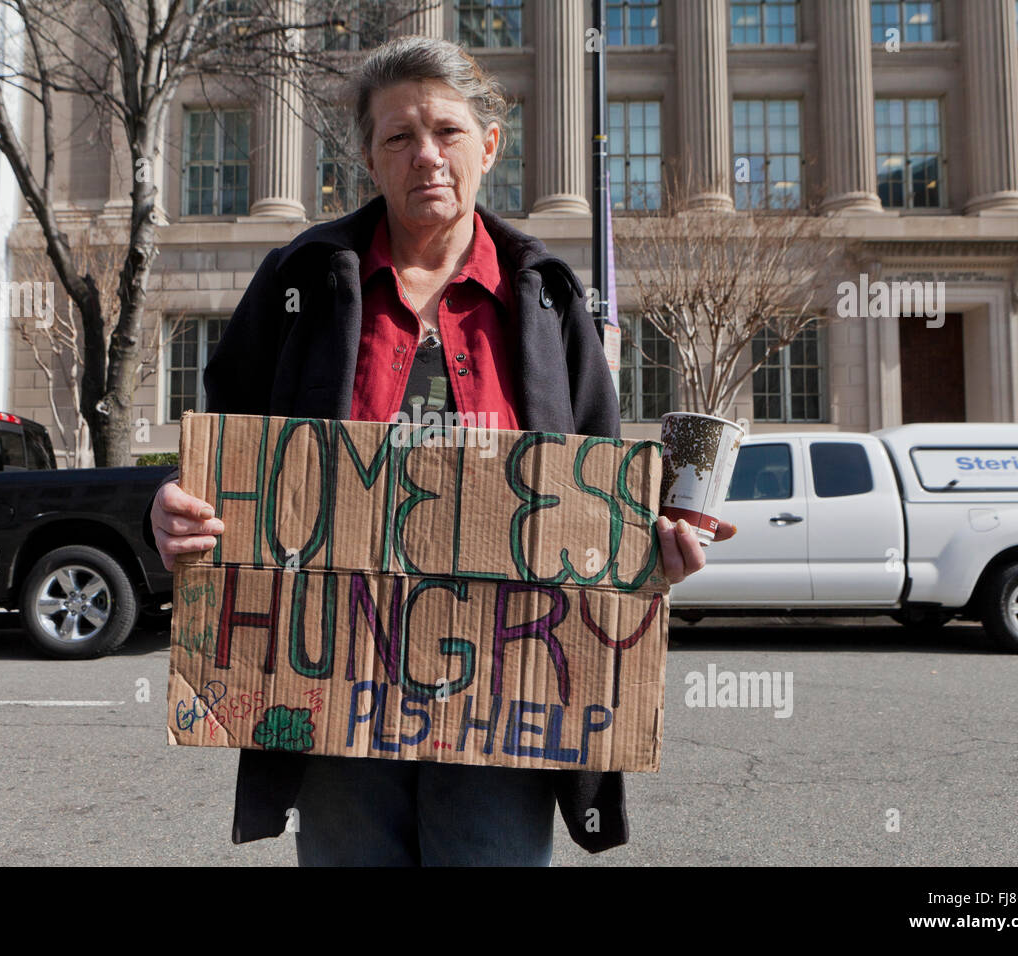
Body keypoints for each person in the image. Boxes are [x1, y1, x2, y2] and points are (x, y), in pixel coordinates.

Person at [145, 35, 732, 866]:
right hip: (335, 697)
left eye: (448, 132)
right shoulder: (301, 282)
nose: (427, 156)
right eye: (399, 137)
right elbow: (223, 453)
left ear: (489, 146)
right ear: (369, 159)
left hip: (509, 701)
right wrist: (170, 512)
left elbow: (600, 484)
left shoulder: (549, 298)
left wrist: (655, 548)